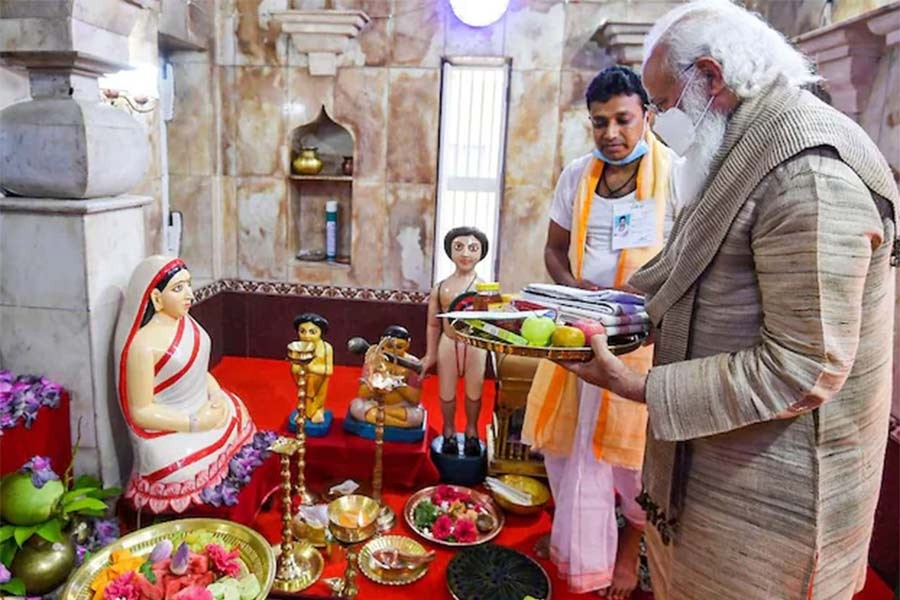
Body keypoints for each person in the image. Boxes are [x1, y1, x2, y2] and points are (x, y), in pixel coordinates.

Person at [561, 2, 898, 599]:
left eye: (661, 105)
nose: (658, 124)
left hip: (773, 518)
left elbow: (803, 366)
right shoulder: (739, 147)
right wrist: (630, 311)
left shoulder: (807, 176)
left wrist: (640, 387)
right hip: (713, 489)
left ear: (711, 78)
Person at [522, 65, 680, 599]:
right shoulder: (577, 175)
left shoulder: (677, 176)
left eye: (622, 120)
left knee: (631, 462)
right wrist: (574, 291)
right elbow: (552, 250)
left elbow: (688, 264)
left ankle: (626, 556)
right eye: (598, 123)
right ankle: (571, 542)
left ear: (648, 116)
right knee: (564, 451)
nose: (611, 133)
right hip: (579, 327)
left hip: (641, 338)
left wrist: (635, 310)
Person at [114, 256, 257, 514]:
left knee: (237, 409)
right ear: (156, 299)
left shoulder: (188, 324)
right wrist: (193, 422)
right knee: (175, 466)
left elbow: (200, 374)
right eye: (178, 289)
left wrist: (214, 395)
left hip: (202, 407)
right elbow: (141, 412)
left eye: (189, 285)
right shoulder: (143, 346)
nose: (189, 294)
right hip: (168, 429)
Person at [421, 227, 489, 457]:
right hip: (448, 342)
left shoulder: (486, 289)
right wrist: (430, 354)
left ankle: (471, 432)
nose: (466, 254)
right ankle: (448, 430)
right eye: (459, 247)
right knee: (446, 391)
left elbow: (494, 324)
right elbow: (433, 324)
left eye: (473, 248)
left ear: (481, 253)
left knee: (474, 391)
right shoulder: (440, 287)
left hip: (476, 345)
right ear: (450, 251)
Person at [349, 325, 425, 429]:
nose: (394, 351)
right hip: (374, 404)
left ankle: (378, 418)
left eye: (399, 347)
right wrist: (376, 379)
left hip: (400, 407)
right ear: (382, 342)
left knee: (417, 416)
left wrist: (396, 382)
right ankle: (399, 424)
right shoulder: (373, 360)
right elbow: (362, 394)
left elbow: (415, 400)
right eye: (389, 346)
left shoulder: (413, 365)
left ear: (408, 344)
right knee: (356, 407)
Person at [292, 312, 333, 423]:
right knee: (303, 396)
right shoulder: (297, 347)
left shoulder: (326, 348)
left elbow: (329, 370)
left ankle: (319, 410)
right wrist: (301, 369)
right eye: (302, 331)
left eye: (312, 332)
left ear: (320, 332)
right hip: (303, 380)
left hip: (320, 380)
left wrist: (312, 368)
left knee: (319, 397)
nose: (307, 336)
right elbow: (294, 368)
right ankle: (303, 411)